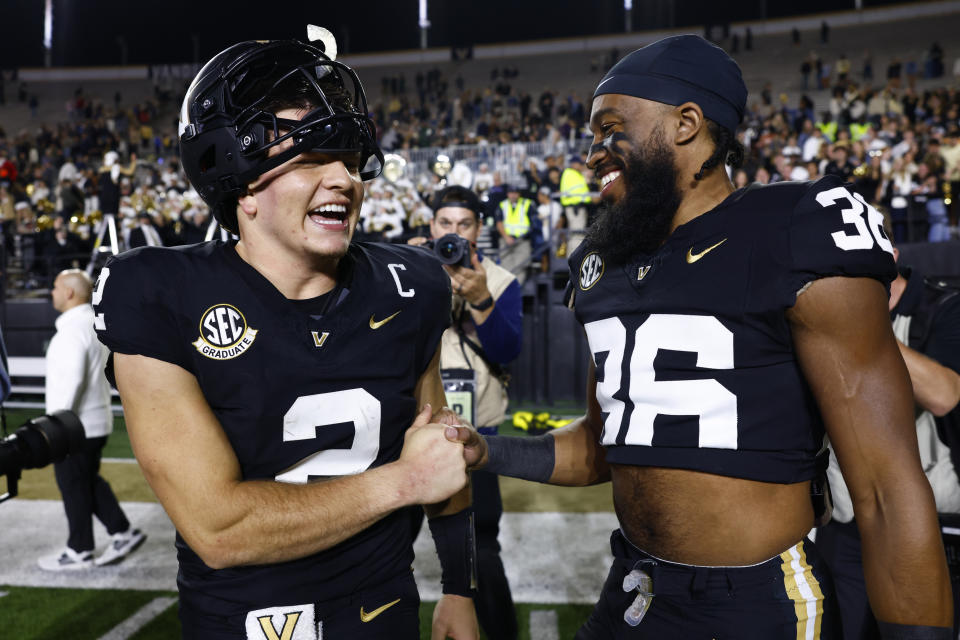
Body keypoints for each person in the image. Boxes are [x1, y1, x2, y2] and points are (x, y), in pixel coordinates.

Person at [451, 34, 953, 638]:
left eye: (610, 128)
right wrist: (485, 450)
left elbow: (884, 488)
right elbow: (602, 445)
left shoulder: (792, 229)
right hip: (635, 586)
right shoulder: (603, 263)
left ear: (686, 124)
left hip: (758, 599)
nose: (592, 155)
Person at [93, 38, 479, 640]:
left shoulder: (412, 284)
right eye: (308, 157)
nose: (343, 179)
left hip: (384, 612)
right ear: (239, 182)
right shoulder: (157, 292)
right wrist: (403, 482)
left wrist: (459, 589)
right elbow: (219, 529)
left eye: (349, 158)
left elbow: (441, 450)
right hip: (243, 624)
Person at [818, 240, 960, 639]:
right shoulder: (818, 313)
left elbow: (945, 395)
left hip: (923, 516)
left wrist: (863, 321)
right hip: (846, 516)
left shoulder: (941, 306)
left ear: (891, 255)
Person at [412, 185, 523, 639]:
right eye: (445, 225)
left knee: (480, 548)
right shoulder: (410, 270)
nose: (454, 234)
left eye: (463, 225)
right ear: (431, 227)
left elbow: (507, 348)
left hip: (477, 437)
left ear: (478, 230)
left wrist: (479, 300)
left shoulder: (499, 280)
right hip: (415, 428)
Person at [38, 269, 144, 571]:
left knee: (73, 484)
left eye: (56, 287)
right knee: (85, 480)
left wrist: (52, 428)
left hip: (74, 425)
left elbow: (70, 381)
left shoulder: (72, 330)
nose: (52, 293)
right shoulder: (92, 324)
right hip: (93, 421)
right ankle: (122, 531)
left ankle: (79, 550)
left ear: (69, 293)